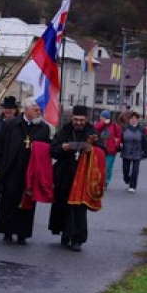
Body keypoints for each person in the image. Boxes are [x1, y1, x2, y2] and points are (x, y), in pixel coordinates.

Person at [0, 97, 51, 245]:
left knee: (27, 203)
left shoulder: (43, 128)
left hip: (31, 171)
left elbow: (47, 149)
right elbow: (0, 145)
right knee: (9, 200)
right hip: (12, 169)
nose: (39, 112)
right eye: (36, 110)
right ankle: (7, 231)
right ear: (27, 109)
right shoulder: (11, 124)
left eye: (39, 110)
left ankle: (22, 233)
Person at [48, 105, 100, 252]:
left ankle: (77, 239)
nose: (78, 123)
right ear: (72, 118)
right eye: (76, 119)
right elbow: (52, 150)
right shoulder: (64, 131)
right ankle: (65, 233)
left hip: (82, 177)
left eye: (81, 120)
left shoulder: (92, 133)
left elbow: (101, 151)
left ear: (86, 119)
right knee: (63, 206)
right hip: (64, 175)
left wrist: (92, 150)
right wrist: (63, 148)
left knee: (78, 209)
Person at [93, 109, 122, 188]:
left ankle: (106, 181)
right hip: (100, 149)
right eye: (101, 117)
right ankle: (99, 180)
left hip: (110, 150)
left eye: (103, 117)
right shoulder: (99, 124)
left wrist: (116, 145)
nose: (101, 118)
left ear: (108, 118)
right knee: (98, 166)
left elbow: (119, 136)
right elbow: (94, 129)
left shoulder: (114, 126)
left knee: (108, 167)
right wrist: (102, 123)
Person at [121, 112, 147, 193]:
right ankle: (127, 180)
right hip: (126, 151)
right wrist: (118, 146)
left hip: (137, 152)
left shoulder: (141, 129)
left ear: (137, 119)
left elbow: (145, 142)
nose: (133, 120)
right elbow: (120, 139)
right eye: (132, 118)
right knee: (125, 170)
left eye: (135, 118)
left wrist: (145, 153)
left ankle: (133, 186)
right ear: (129, 120)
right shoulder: (125, 128)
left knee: (135, 170)